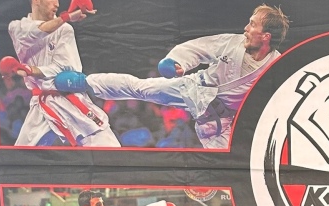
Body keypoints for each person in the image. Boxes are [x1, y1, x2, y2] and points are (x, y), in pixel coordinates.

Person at [52, 5, 290, 149]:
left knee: (225, 165)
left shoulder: (277, 68)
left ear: (266, 36)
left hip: (221, 121)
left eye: (252, 25)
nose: (246, 29)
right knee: (142, 88)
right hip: (196, 89)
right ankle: (83, 81)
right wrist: (176, 61)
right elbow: (199, 48)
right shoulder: (233, 43)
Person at [1, 0, 120, 147]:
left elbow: (66, 70)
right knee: (22, 154)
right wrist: (67, 16)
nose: (57, 4)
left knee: (108, 147)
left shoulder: (65, 29)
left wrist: (30, 70)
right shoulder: (17, 27)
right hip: (40, 104)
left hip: (67, 99)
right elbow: (37, 32)